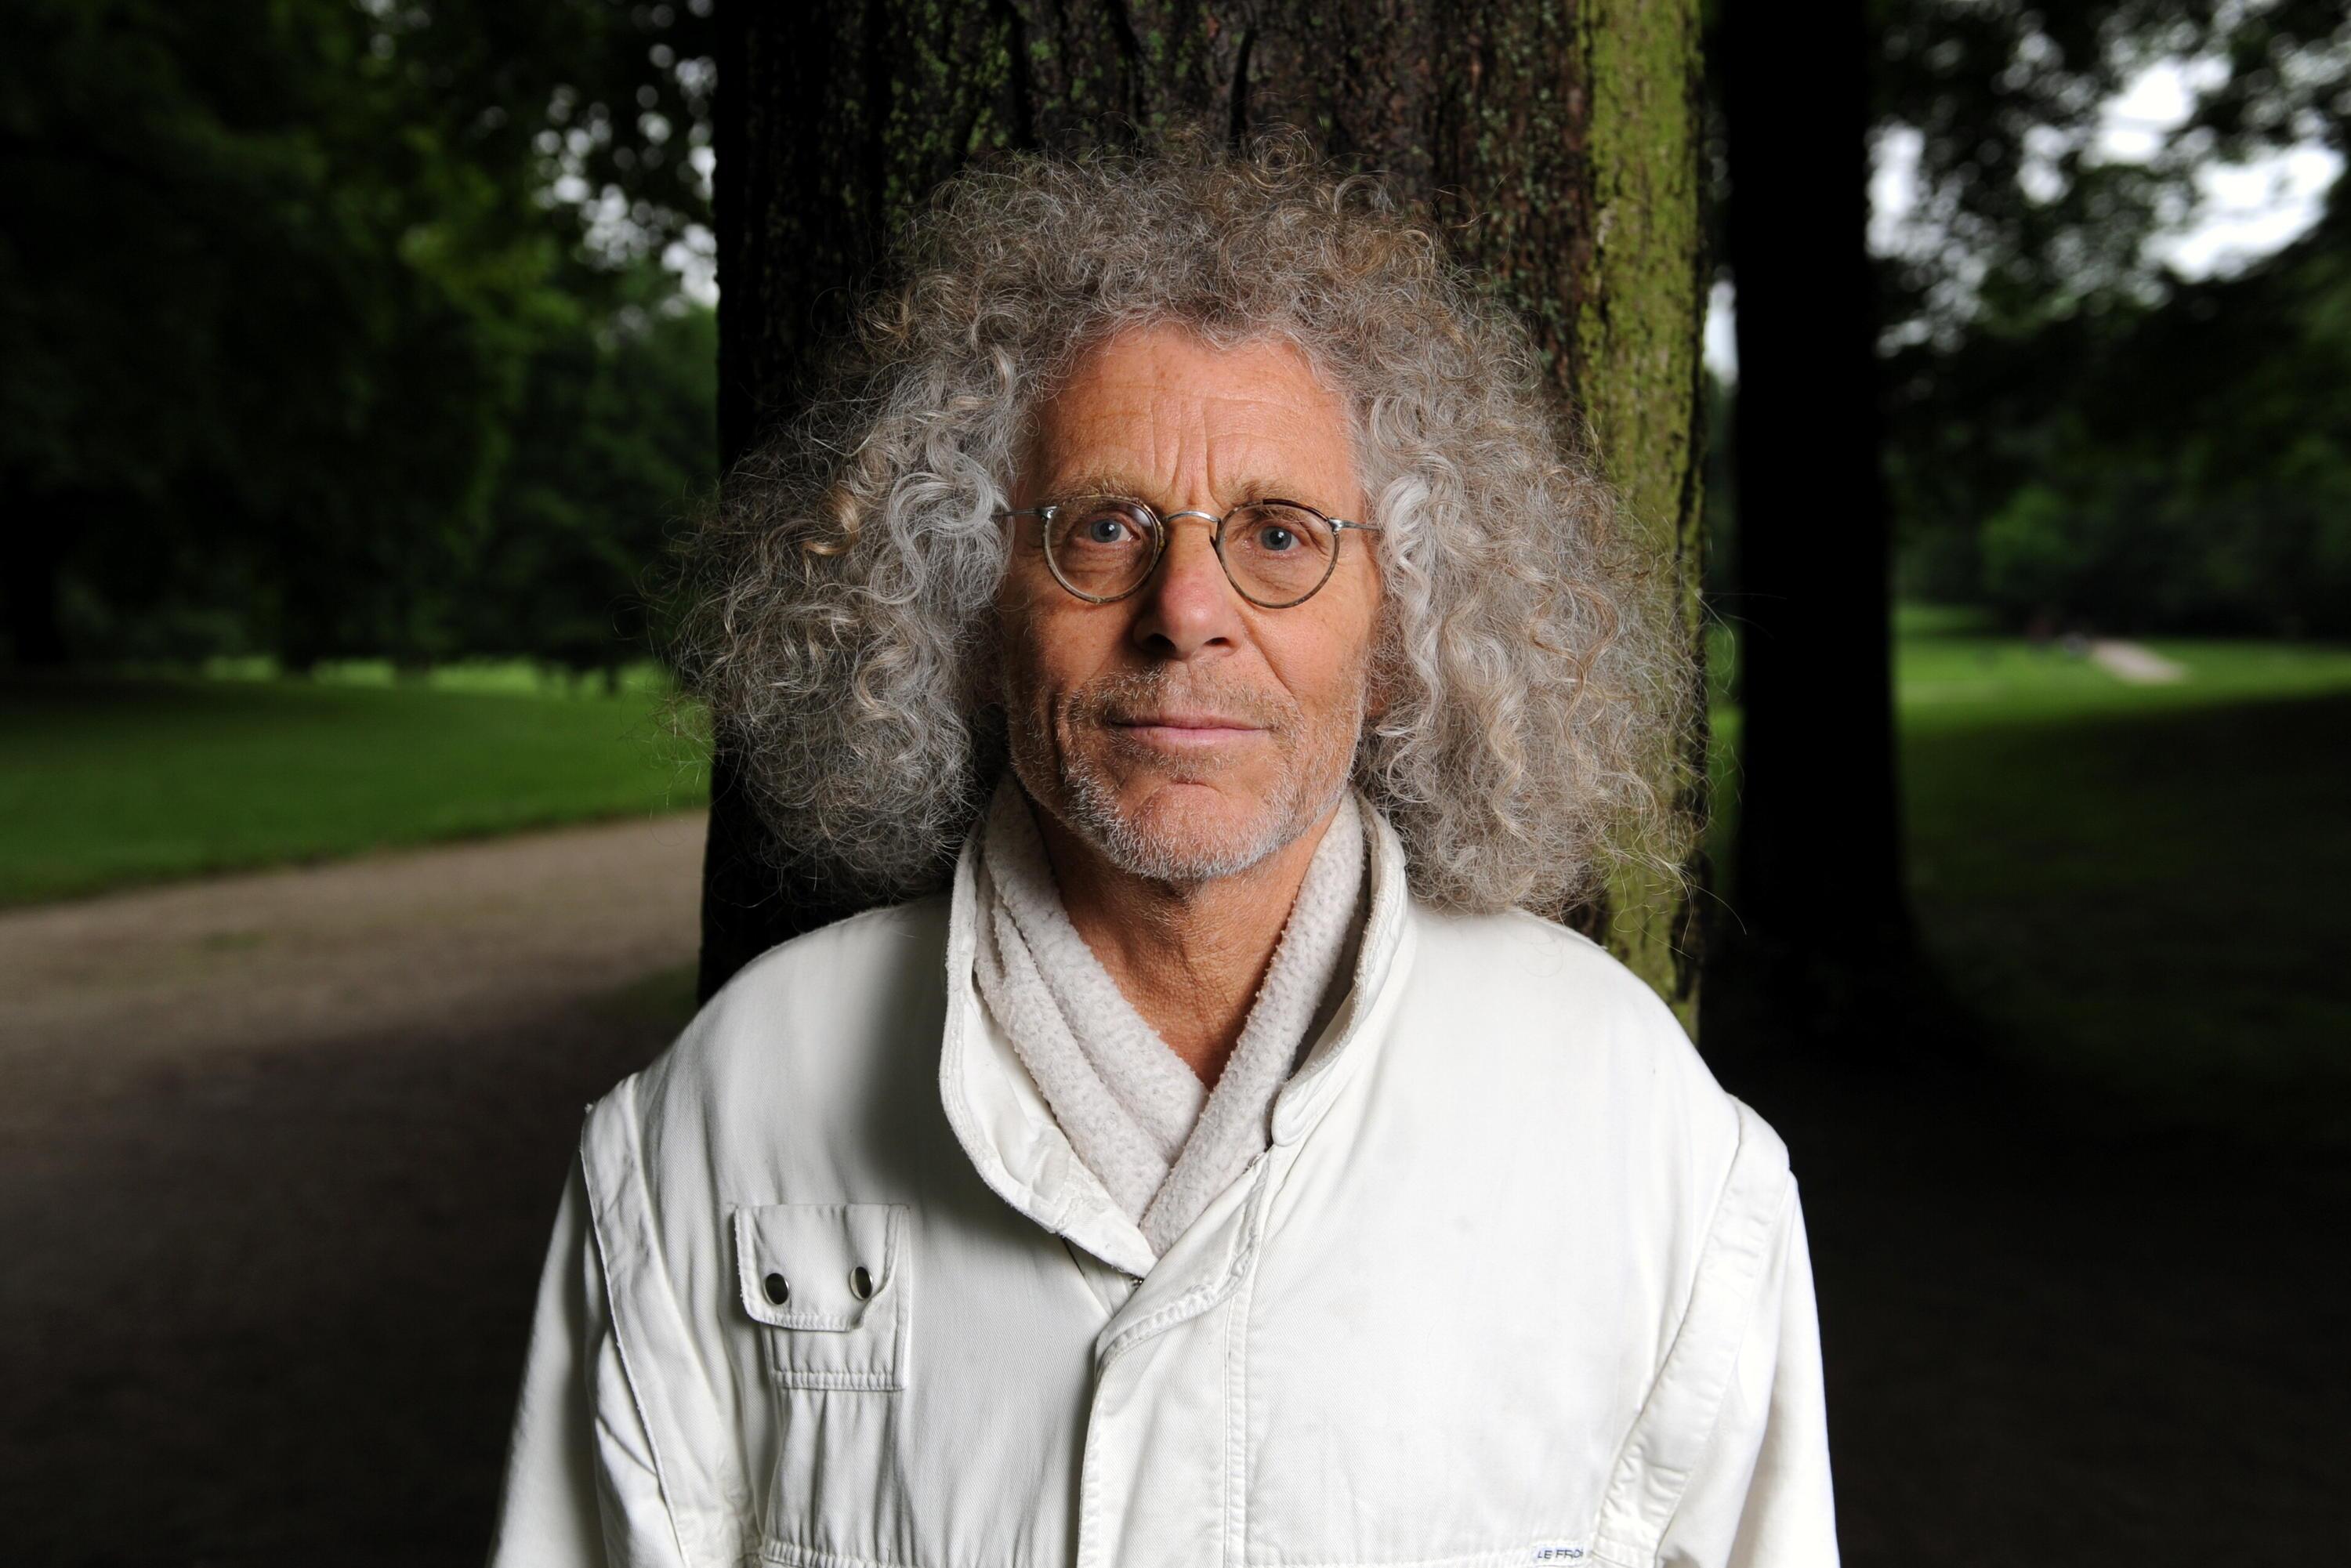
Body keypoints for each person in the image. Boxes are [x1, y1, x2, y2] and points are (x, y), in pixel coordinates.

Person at [486, 136, 1837, 1568]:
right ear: (973, 607)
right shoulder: (726, 1107)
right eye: (1105, 527)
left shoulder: (1641, 1134)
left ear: (1396, 628)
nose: (1186, 608)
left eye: (1281, 535)